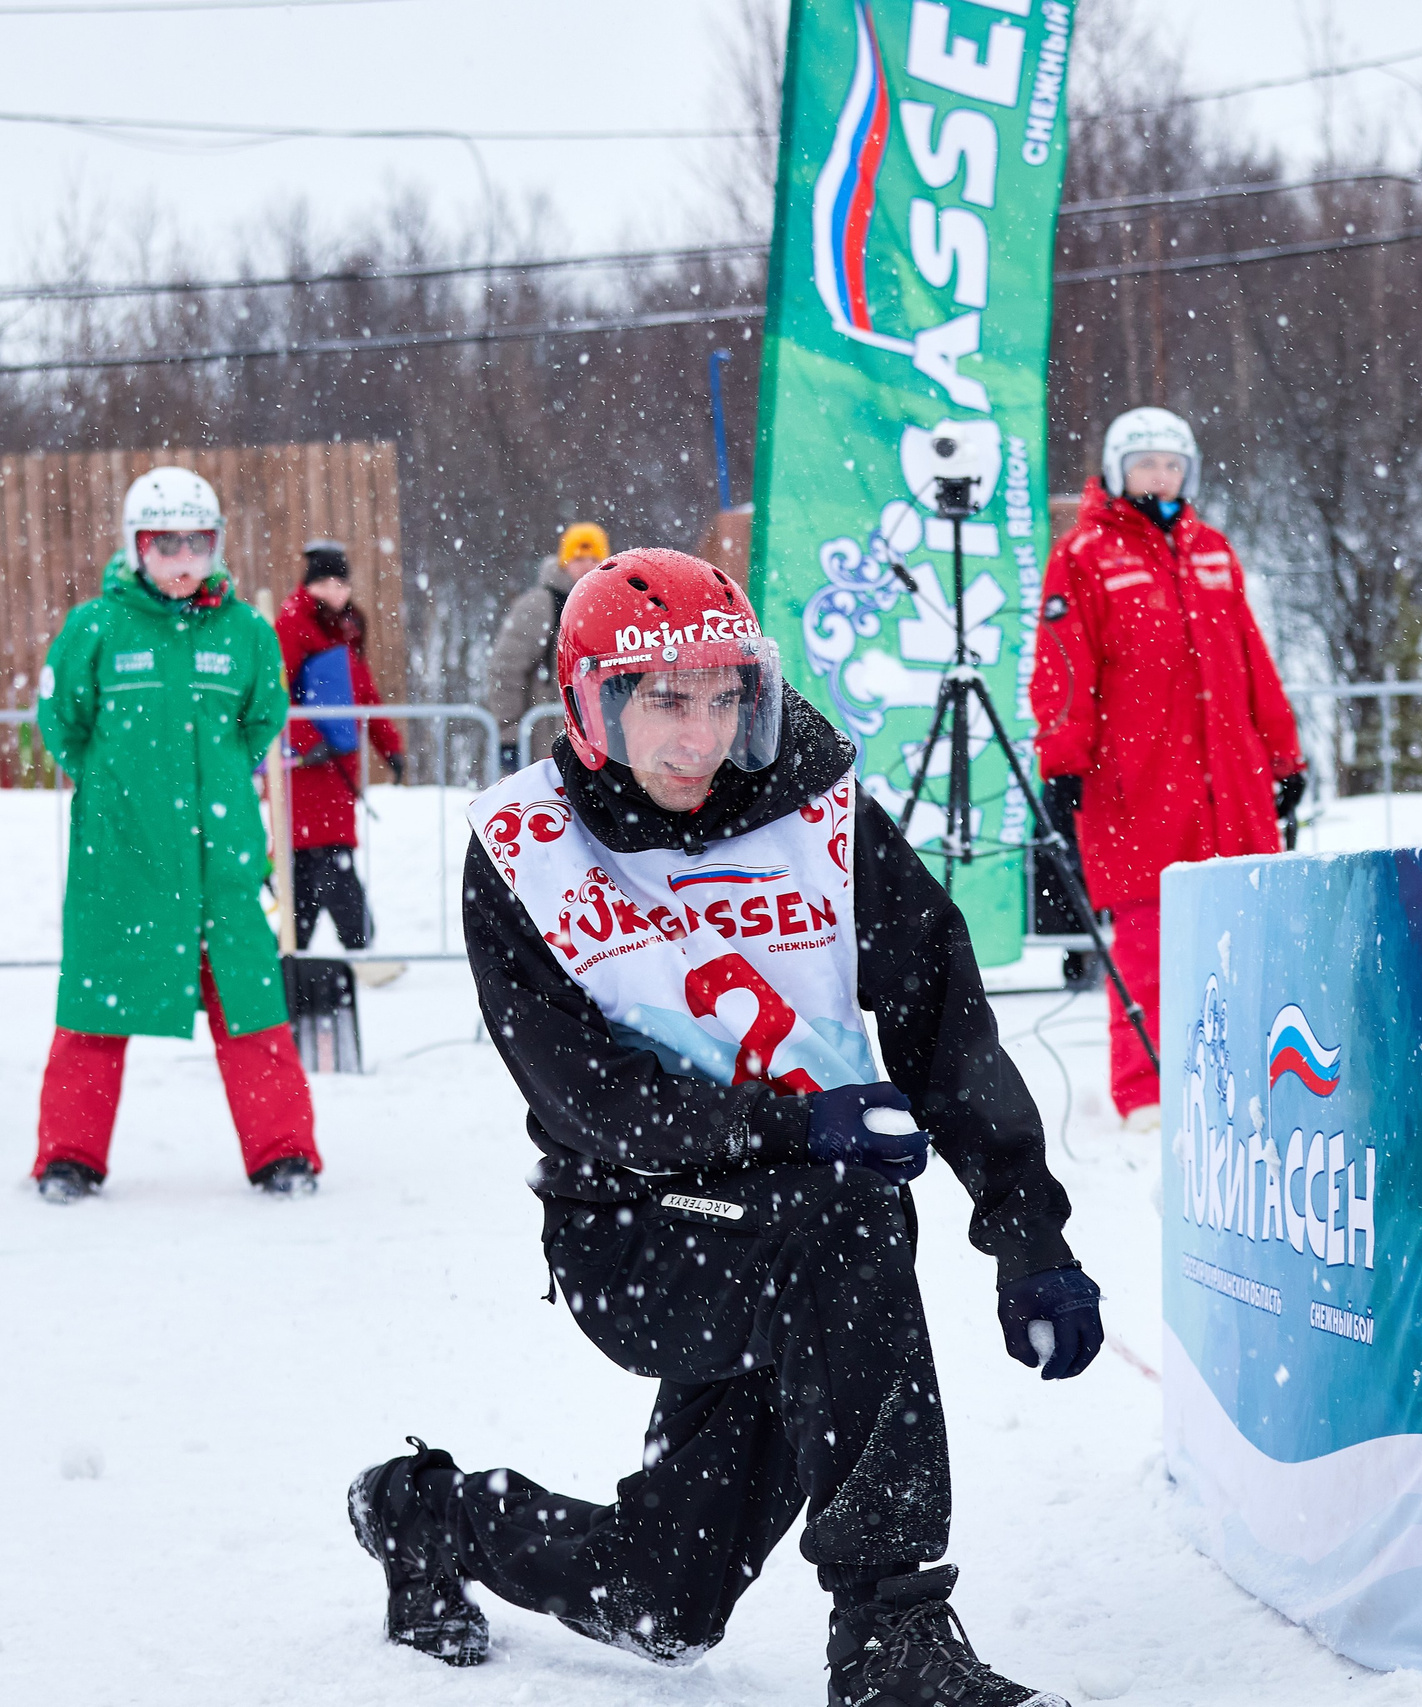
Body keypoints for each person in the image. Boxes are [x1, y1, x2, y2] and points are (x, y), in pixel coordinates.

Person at [351, 549, 1099, 1707]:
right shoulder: (523, 848)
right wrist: (787, 1129)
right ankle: (890, 1635)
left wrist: (1028, 1238)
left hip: (788, 1216)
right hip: (641, 1228)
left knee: (663, 1604)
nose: (695, 735)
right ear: (589, 703)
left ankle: (424, 1515)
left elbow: (943, 1024)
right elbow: (582, 1094)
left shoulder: (826, 814)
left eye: (722, 697)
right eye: (661, 699)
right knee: (849, 1214)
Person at [29, 467, 320, 1201]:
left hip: (221, 863)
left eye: (199, 541)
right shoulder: (93, 628)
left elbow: (260, 722)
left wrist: (210, 790)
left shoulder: (247, 633)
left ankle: (283, 1151)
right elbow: (64, 725)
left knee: (253, 1006)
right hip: (120, 860)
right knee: (92, 1010)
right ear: (136, 546)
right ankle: (68, 1156)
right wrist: (123, 792)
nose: (183, 558)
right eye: (166, 543)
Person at [1031, 408, 1305, 1132]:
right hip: (1139, 787)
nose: (1160, 476)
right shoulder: (1084, 555)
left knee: (1246, 933)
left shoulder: (1213, 551)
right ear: (1120, 470)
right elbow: (1063, 666)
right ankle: (1146, 1093)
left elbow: (1251, 658)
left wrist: (1284, 754)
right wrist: (1062, 762)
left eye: (1172, 463)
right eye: (1146, 463)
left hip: (1232, 783)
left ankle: (1247, 1078)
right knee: (1149, 945)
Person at [278, 541, 406, 960]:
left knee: (315, 862)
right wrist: (305, 743)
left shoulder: (345, 628)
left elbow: (363, 695)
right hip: (304, 768)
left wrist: (391, 747)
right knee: (326, 858)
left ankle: (290, 953)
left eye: (342, 583)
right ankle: (357, 946)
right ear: (311, 585)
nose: (336, 592)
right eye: (327, 583)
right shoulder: (292, 625)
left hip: (337, 768)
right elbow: (274, 695)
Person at [484, 522, 607, 770]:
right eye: (579, 558)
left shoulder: (609, 604)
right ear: (564, 561)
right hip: (547, 738)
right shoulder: (540, 605)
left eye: (595, 558)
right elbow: (505, 670)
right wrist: (510, 733)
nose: (587, 565)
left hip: (600, 737)